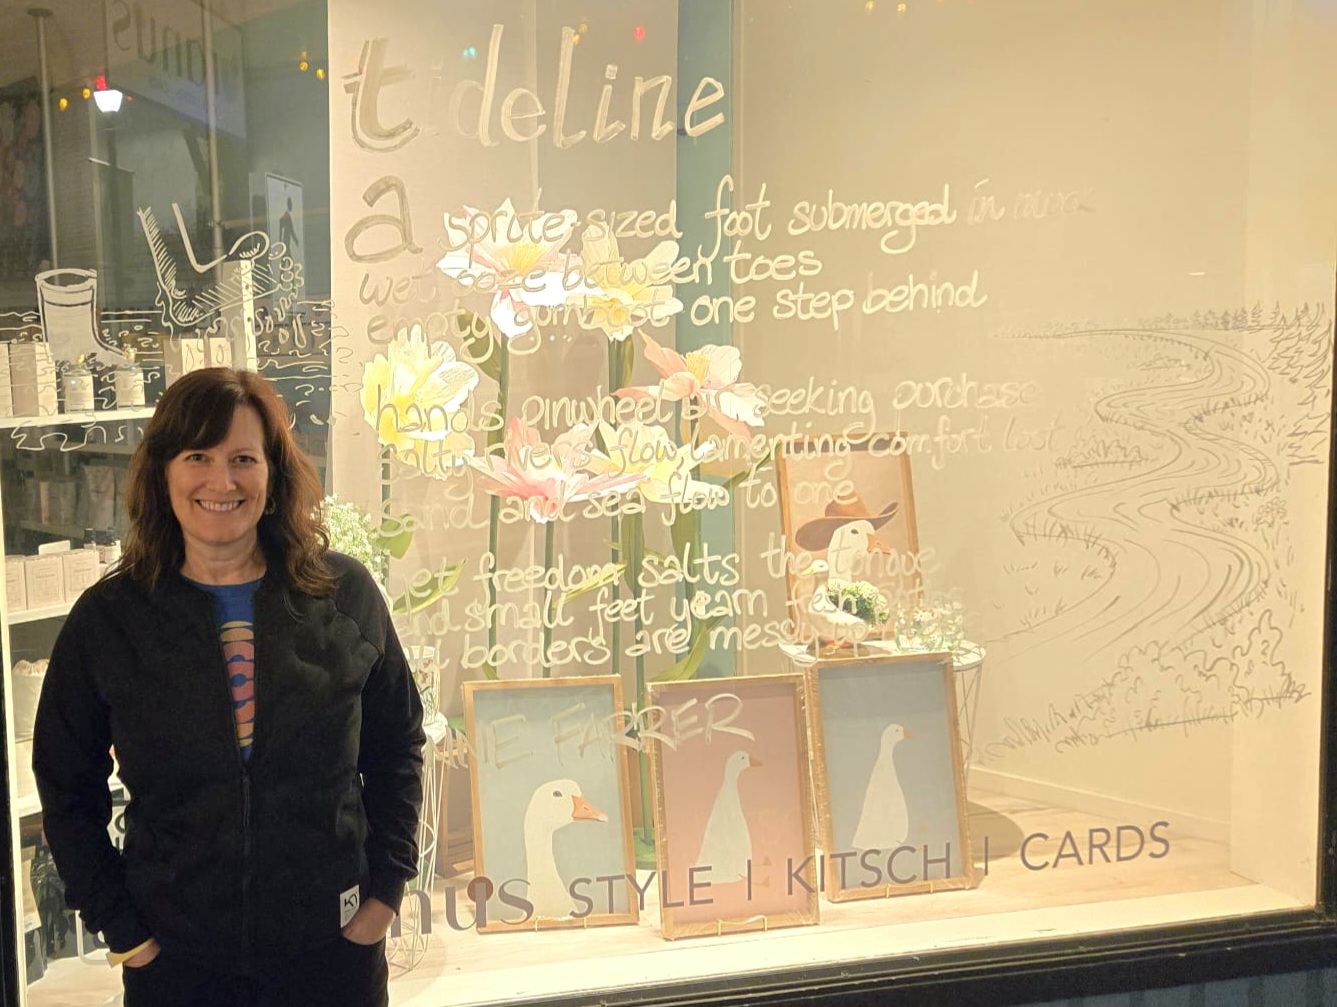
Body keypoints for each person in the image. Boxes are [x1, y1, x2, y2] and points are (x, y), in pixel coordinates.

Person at [33, 367, 425, 1007]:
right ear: (164, 472)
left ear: (273, 474)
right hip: (178, 964)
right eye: (198, 457)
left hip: (332, 955)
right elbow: (65, 786)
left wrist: (384, 894)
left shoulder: (343, 596)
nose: (222, 481)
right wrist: (127, 933)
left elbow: (398, 746)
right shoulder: (110, 619)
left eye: (243, 458)